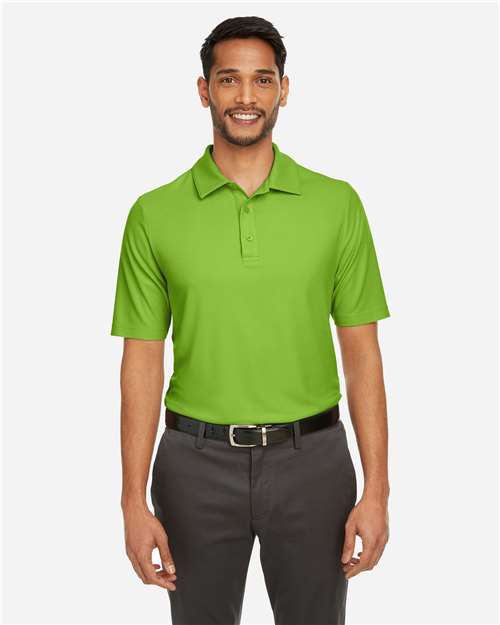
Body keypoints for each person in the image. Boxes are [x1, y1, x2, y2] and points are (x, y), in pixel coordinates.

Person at [110, 15, 391, 625]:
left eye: (262, 80)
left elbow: (362, 353)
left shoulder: (337, 204)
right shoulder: (154, 214)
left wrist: (377, 490)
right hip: (193, 466)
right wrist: (132, 500)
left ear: (283, 90)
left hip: (314, 462)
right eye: (229, 79)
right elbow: (141, 358)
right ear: (204, 90)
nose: (246, 96)